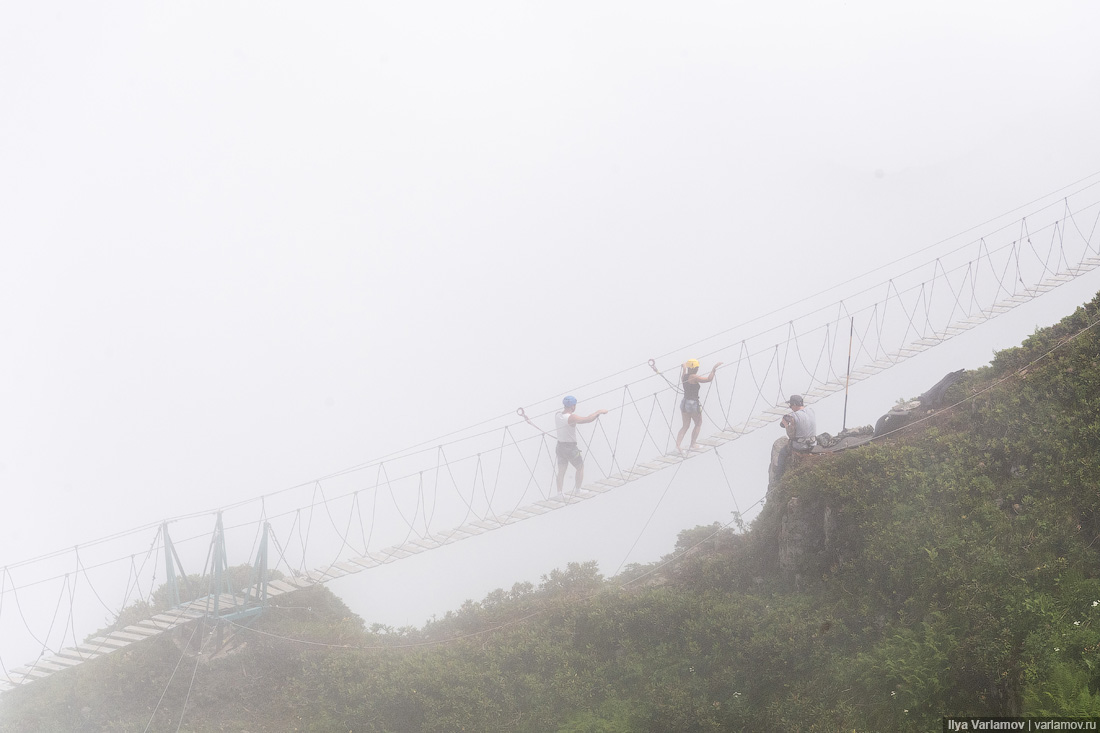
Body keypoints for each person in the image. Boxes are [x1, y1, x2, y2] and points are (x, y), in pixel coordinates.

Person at [555, 396, 608, 494]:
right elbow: (587, 419)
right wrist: (598, 412)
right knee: (580, 467)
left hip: (559, 447)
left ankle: (559, 493)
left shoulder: (557, 415)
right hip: (570, 448)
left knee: (561, 471)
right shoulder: (571, 417)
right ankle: (578, 490)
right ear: (573, 406)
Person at [675, 359, 723, 453]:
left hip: (684, 403)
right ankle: (693, 444)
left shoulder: (685, 376)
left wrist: (684, 368)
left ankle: (678, 446)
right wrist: (713, 369)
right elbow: (708, 379)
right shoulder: (694, 377)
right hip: (692, 404)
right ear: (695, 368)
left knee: (685, 425)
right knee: (698, 423)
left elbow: (683, 374)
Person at [770, 394, 817, 486]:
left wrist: (786, 424)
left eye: (791, 405)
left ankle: (778, 478)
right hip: (813, 444)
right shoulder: (811, 411)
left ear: (795, 404)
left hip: (801, 447)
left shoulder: (793, 417)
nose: (790, 407)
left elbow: (791, 435)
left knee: (782, 452)